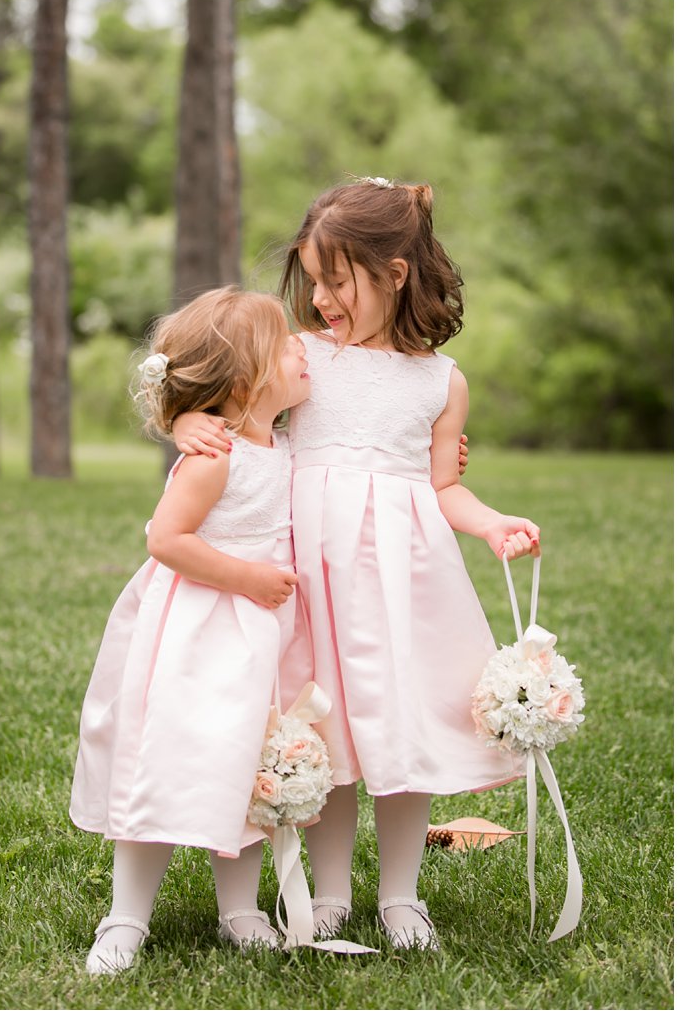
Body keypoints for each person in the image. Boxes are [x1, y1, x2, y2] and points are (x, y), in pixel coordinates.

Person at [173, 178, 539, 951]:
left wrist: (492, 522)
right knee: (326, 730)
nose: (320, 295)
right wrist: (187, 426)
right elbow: (226, 398)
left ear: (394, 273)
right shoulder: (301, 359)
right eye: (311, 277)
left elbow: (445, 486)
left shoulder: (442, 382)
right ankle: (332, 892)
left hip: (402, 583)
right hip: (309, 578)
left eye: (335, 279)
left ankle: (402, 894)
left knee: (401, 733)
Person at [69, 287, 313, 974]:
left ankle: (240, 907)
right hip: (197, 635)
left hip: (258, 639)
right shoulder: (215, 455)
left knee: (245, 767)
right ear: (244, 382)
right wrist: (247, 578)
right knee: (166, 763)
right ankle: (125, 915)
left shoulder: (289, 444)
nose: (305, 349)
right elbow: (165, 538)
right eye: (288, 343)